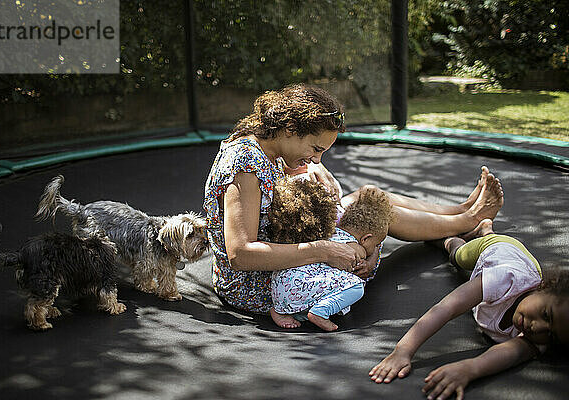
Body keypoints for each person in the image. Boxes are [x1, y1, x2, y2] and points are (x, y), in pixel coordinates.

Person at [203, 84, 504, 326]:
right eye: (316, 148)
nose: (318, 157)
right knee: (372, 215)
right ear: (291, 130)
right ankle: (468, 221)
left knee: (368, 196)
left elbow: (276, 178)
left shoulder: (264, 142)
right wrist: (325, 250)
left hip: (284, 248)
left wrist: (310, 169)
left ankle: (460, 211)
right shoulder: (243, 164)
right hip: (260, 284)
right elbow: (240, 254)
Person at [369, 219, 569, 400]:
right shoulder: (506, 279)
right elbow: (447, 307)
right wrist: (403, 351)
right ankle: (450, 239)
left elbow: (512, 354)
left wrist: (469, 368)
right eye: (546, 315)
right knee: (459, 258)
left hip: (522, 262)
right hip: (500, 249)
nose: (538, 327)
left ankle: (485, 229)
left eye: (551, 335)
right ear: (544, 287)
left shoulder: (538, 337)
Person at [267, 178, 394, 331]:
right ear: (365, 238)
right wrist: (370, 259)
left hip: (280, 287)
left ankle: (282, 312)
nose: (375, 249)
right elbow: (360, 266)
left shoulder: (329, 232)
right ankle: (320, 312)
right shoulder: (356, 248)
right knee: (356, 286)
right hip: (297, 287)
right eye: (375, 244)